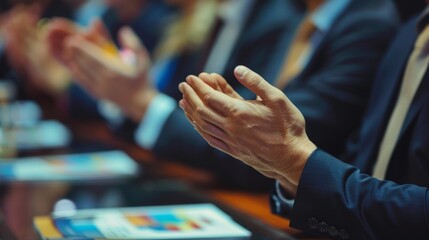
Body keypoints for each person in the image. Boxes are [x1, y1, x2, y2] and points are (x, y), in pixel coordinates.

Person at [49, 0, 398, 190]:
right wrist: (124, 94)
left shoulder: (357, 21)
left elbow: (268, 140)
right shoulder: (298, 18)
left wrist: (137, 101)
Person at [179, 5, 429, 240]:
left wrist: (294, 161)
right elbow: (365, 162)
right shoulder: (409, 32)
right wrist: (284, 170)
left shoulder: (374, 22)